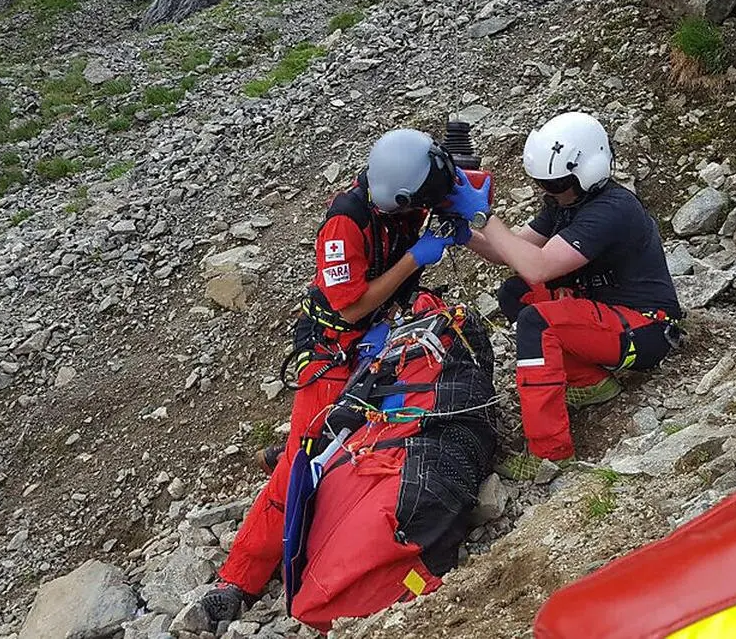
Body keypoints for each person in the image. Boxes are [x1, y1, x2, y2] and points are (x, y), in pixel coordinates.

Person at [202, 128, 469, 624]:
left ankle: (309, 454)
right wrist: (416, 257)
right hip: (334, 346)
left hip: (379, 332)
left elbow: (455, 189)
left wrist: (467, 199)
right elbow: (349, 310)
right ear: (400, 195)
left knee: (368, 426)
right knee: (300, 465)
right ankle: (239, 576)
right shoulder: (345, 224)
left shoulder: (402, 196)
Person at [447, 112, 682, 462]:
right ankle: (590, 383)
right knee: (516, 293)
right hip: (608, 316)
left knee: (536, 322)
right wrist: (463, 229)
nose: (548, 191)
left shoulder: (611, 209)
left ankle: (549, 454)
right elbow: (508, 251)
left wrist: (483, 214)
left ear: (589, 173)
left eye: (555, 184)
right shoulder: (567, 202)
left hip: (646, 327)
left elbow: (538, 266)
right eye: (543, 183)